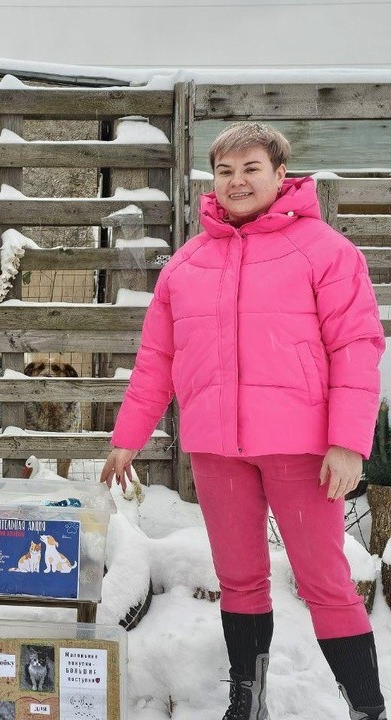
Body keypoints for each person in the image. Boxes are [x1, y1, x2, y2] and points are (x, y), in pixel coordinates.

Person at [101, 122, 386, 720]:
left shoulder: (326, 252)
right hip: (217, 449)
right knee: (240, 582)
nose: (237, 182)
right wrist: (128, 438)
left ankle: (366, 707)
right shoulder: (187, 265)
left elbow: (357, 347)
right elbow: (158, 358)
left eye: (251, 168)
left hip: (303, 450)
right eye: (225, 172)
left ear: (281, 175)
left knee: (325, 582)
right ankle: (244, 702)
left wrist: (347, 443)